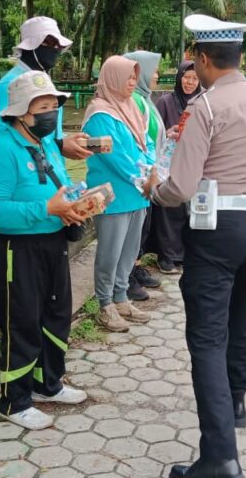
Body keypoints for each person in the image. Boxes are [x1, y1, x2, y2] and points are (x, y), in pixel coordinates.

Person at [144, 15, 246, 478]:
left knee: (206, 337)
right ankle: (235, 402)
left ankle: (220, 457)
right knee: (243, 314)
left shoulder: (205, 107)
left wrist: (155, 191)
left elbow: (182, 186)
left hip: (217, 229)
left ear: (203, 59)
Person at [0, 71, 89, 430]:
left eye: (54, 107)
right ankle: (14, 401)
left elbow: (62, 188)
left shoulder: (46, 145)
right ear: (21, 113)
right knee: (22, 322)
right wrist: (46, 209)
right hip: (18, 249)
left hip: (53, 242)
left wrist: (77, 204)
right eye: (43, 108)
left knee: (56, 315)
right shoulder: (1, 151)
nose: (51, 114)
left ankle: (48, 384)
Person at [81, 55, 155, 332]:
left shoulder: (131, 107)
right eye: (128, 77)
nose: (133, 82)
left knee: (129, 251)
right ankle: (105, 305)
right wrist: (143, 176)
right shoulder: (98, 114)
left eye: (135, 77)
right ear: (112, 78)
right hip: (113, 195)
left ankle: (121, 298)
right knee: (110, 253)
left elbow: (146, 141)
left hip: (137, 194)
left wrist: (152, 169)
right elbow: (114, 156)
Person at [0, 16, 91, 161]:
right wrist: (60, 146)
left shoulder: (44, 81)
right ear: (30, 46)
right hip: (28, 168)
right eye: (49, 42)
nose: (55, 49)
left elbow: (51, 133)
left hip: (52, 165)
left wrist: (66, 142)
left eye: (58, 44)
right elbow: (6, 138)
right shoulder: (9, 85)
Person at [147, 60, 201, 273]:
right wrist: (169, 132)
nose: (190, 82)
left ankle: (183, 254)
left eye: (195, 78)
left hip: (191, 162)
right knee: (168, 209)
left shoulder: (201, 102)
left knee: (187, 210)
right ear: (179, 78)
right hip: (167, 164)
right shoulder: (166, 101)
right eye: (186, 77)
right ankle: (166, 255)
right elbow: (155, 131)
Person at [123, 50, 166, 295]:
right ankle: (129, 274)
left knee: (144, 223)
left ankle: (135, 268)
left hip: (149, 172)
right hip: (141, 174)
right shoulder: (137, 101)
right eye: (154, 71)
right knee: (137, 226)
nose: (156, 76)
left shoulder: (145, 99)